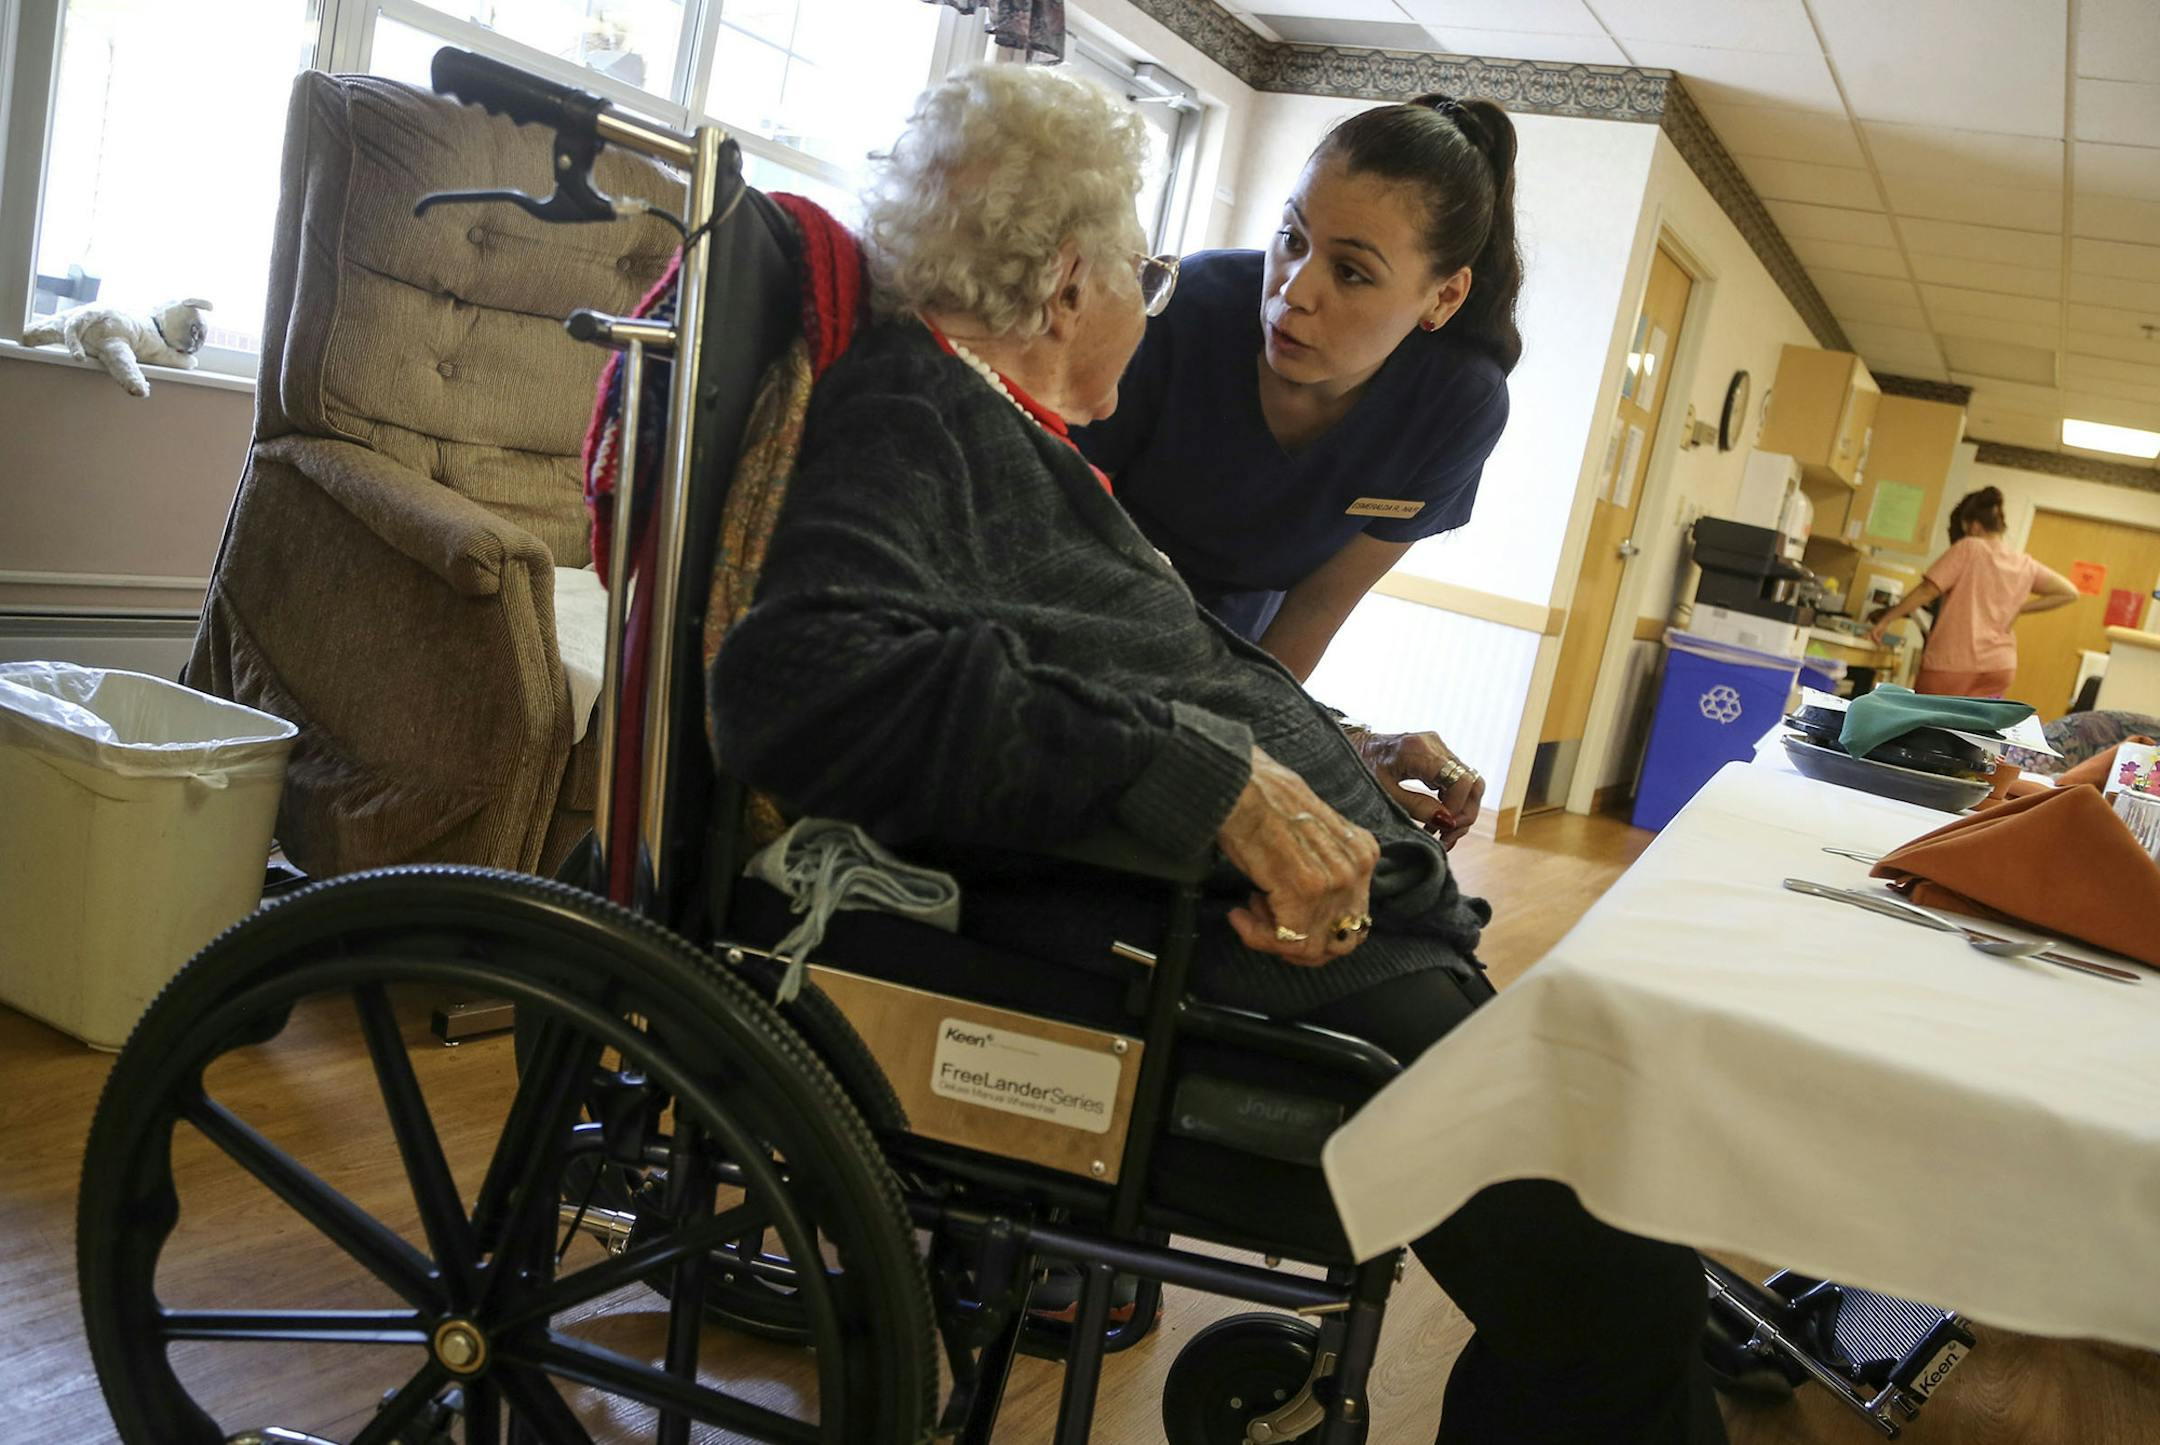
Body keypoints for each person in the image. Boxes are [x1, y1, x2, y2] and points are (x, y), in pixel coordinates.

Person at [714, 64, 1725, 1444]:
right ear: (1068, 290)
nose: (1194, 290)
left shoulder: (1005, 429)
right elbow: (804, 679)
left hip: (1307, 930)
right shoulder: (920, 411)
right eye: (1150, 263)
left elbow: (1101, 670)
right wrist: (1222, 782)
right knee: (1619, 1281)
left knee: (1615, 1250)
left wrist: (1326, 755)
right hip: (1201, 951)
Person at [1072, 95, 1519, 842]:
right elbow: (1058, 530)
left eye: (1351, 272)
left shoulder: (1455, 406)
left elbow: (1313, 611)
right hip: (1081, 606)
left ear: (1443, 296)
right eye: (1291, 237)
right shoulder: (1185, 310)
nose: (1293, 290)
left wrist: (1300, 741)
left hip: (1236, 647)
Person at [1866, 486, 2077, 697]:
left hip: (1953, 663)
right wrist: (2019, 608)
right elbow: (2068, 592)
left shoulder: (1970, 547)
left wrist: (1886, 620)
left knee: (1925, 725)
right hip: (1999, 667)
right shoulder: (2024, 563)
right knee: (1968, 730)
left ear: (1974, 527)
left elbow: (1927, 591)